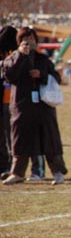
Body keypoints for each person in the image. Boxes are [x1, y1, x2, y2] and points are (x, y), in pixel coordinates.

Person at [1, 27, 68, 185]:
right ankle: (17, 173)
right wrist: (20, 56)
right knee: (20, 140)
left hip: (43, 106)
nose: (29, 42)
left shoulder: (43, 59)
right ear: (19, 42)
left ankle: (58, 172)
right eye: (25, 39)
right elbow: (9, 75)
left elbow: (56, 77)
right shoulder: (12, 58)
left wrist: (42, 75)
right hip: (22, 106)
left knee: (49, 139)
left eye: (31, 39)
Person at [0, 26, 18, 178]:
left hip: (10, 99)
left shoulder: (13, 56)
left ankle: (10, 166)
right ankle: (7, 165)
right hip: (9, 99)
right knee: (8, 135)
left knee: (9, 134)